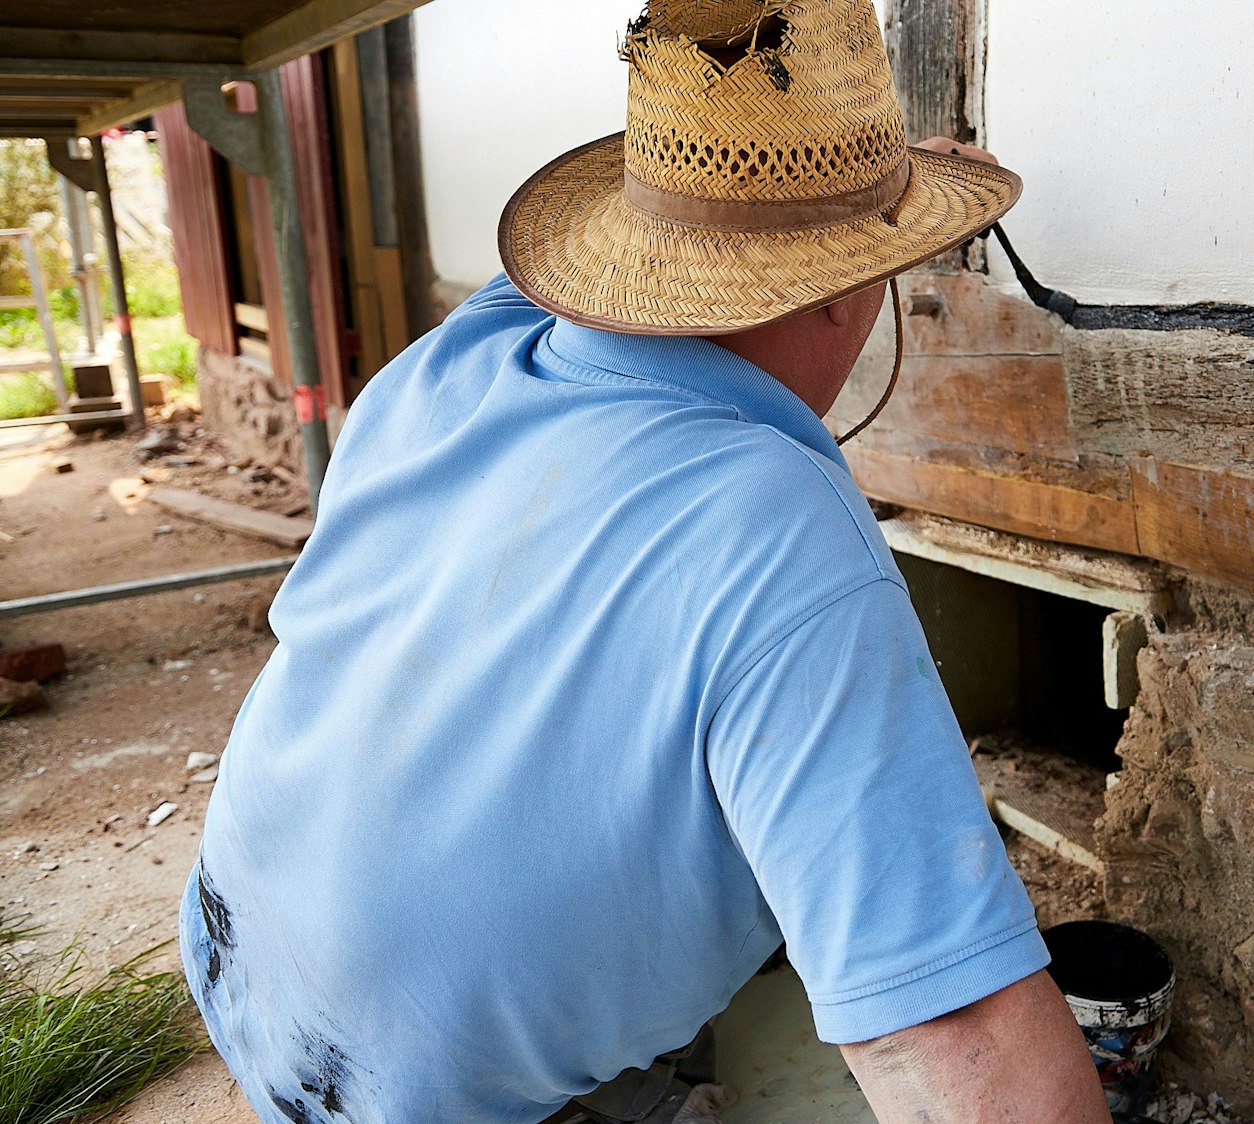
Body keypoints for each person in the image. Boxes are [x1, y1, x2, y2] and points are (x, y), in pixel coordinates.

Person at [179, 1, 1111, 1121]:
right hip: (434, 1099)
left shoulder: (460, 356)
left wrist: (867, 193)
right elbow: (955, 1043)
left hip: (242, 967)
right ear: (849, 282)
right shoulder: (781, 531)